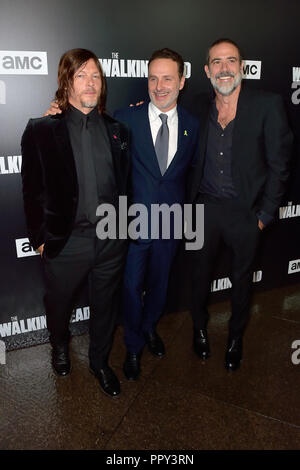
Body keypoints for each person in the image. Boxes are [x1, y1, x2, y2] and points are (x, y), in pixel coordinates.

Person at [21, 48, 131, 397]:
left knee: (105, 307)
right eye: (80, 75)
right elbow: (31, 190)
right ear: (65, 81)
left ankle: (99, 362)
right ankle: (58, 345)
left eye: (95, 75)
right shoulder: (41, 129)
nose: (90, 82)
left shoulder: (119, 131)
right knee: (59, 303)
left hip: (111, 239)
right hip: (66, 242)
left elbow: (125, 184)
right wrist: (40, 238)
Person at [188, 38, 293, 370]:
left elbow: (280, 166)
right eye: (216, 62)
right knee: (198, 278)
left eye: (230, 60)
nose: (224, 68)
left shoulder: (267, 105)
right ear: (207, 71)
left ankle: (235, 338)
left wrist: (263, 215)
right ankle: (199, 330)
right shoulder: (196, 105)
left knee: (242, 281)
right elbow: (161, 112)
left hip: (245, 213)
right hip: (203, 210)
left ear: (242, 68)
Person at [114, 48, 199, 381]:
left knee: (160, 285)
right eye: (153, 78)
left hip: (172, 223)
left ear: (181, 81)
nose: (159, 86)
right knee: (131, 286)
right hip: (133, 224)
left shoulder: (193, 125)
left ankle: (149, 327)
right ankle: (133, 345)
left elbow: (191, 175)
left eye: (167, 78)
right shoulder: (125, 118)